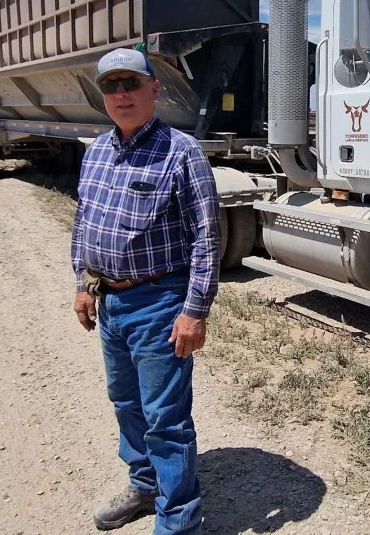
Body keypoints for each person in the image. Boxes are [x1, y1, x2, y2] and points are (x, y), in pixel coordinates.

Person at [71, 47, 220, 534]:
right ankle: (144, 485)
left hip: (159, 303)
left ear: (154, 88)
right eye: (111, 86)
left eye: (130, 83)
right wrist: (84, 284)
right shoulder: (96, 151)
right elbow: (85, 223)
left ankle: (179, 522)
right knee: (126, 404)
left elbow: (206, 237)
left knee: (166, 418)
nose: (121, 94)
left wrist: (194, 312)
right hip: (110, 303)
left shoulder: (182, 152)